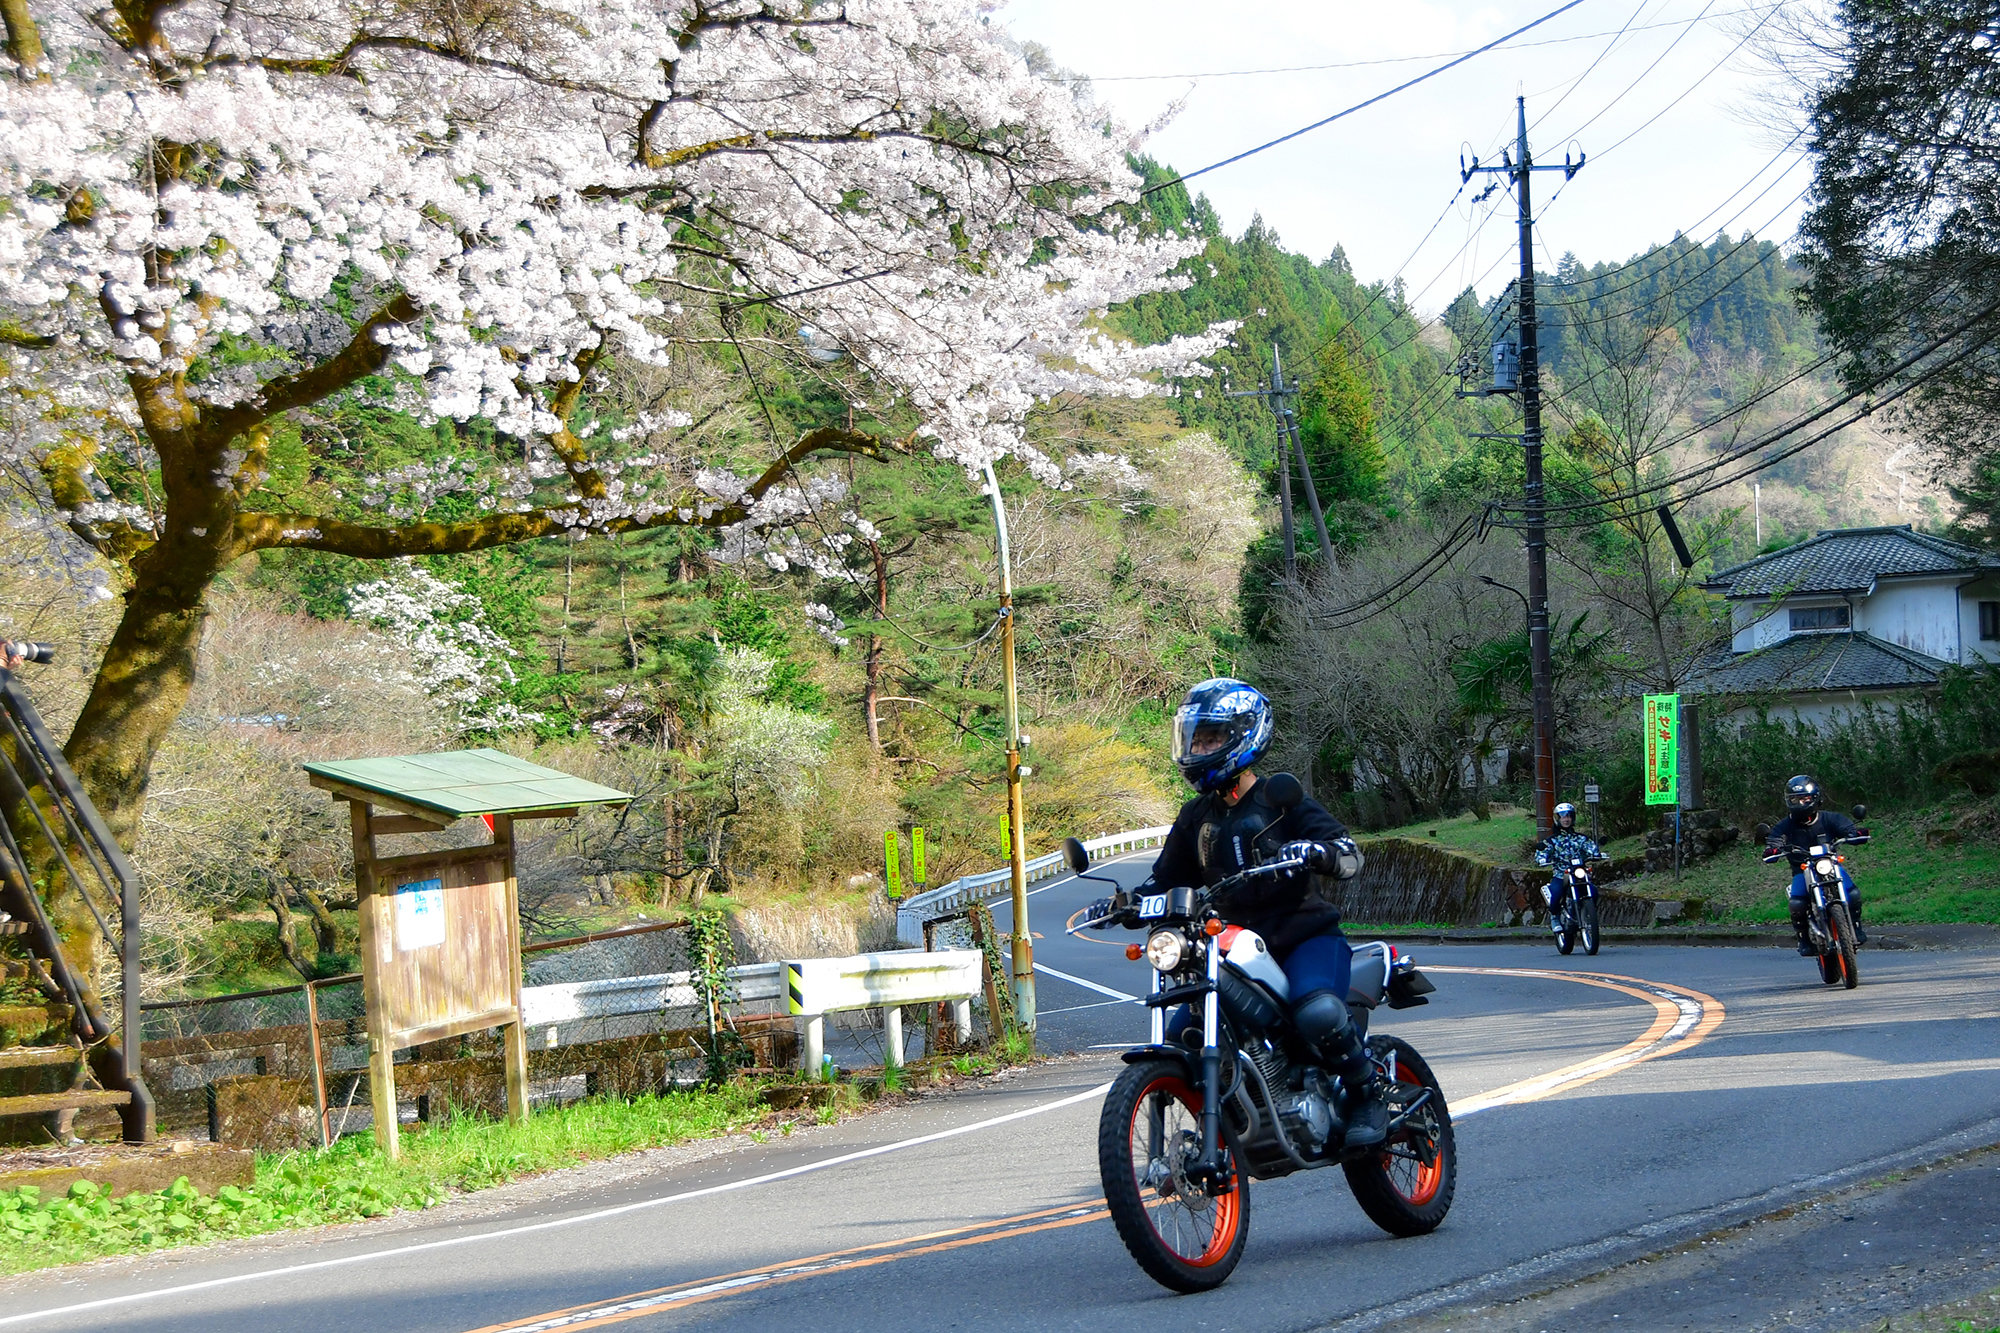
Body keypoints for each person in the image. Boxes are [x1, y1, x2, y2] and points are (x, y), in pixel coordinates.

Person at [1092, 677, 1381, 1148]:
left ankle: (1367, 1093)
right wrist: (1123, 903)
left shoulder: (1279, 799)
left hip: (1304, 939)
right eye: (1195, 738)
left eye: (1211, 738)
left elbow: (1346, 851)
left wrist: (1317, 852)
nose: (1199, 747)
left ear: (1245, 735)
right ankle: (1223, 1129)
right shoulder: (1194, 818)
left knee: (1319, 1014)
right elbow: (1165, 880)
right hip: (1229, 945)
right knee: (1180, 1032)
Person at [1763, 774, 1867, 953]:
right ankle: (1803, 939)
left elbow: (1847, 828)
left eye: (1805, 798)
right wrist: (1773, 849)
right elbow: (1775, 840)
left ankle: (1856, 927)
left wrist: (1854, 834)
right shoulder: (1784, 825)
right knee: (1797, 903)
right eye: (1795, 799)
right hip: (1801, 870)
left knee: (1853, 893)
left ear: (1815, 797)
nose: (1801, 803)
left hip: (1829, 864)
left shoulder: (1829, 818)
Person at [1534, 801, 1603, 933]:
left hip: (1579, 873)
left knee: (1593, 892)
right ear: (1557, 819)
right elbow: (1542, 852)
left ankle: (1587, 915)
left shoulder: (1581, 838)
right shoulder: (1551, 840)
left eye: (1569, 816)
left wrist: (1597, 853)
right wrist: (1542, 858)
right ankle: (1554, 917)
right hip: (1561, 875)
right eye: (1563, 816)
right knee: (1557, 894)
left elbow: (1591, 848)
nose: (1567, 819)